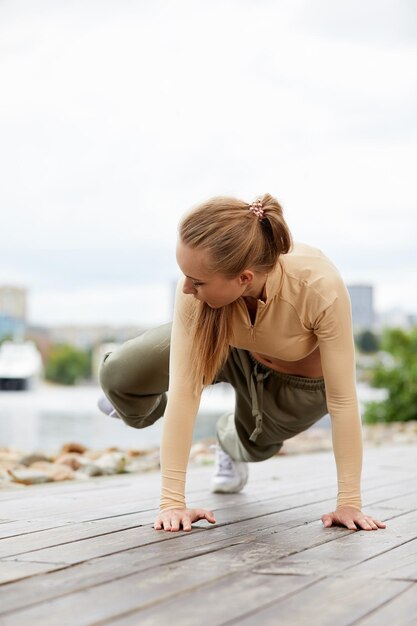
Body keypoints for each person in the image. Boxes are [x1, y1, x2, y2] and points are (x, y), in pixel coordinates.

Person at [99, 194, 386, 534]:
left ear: (245, 279)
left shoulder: (320, 288)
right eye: (185, 275)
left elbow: (342, 400)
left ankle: (227, 442)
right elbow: (186, 391)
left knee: (254, 445)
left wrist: (349, 501)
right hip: (228, 347)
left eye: (198, 281)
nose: (187, 287)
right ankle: (140, 403)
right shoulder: (195, 288)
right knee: (118, 375)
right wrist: (172, 503)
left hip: (293, 384)